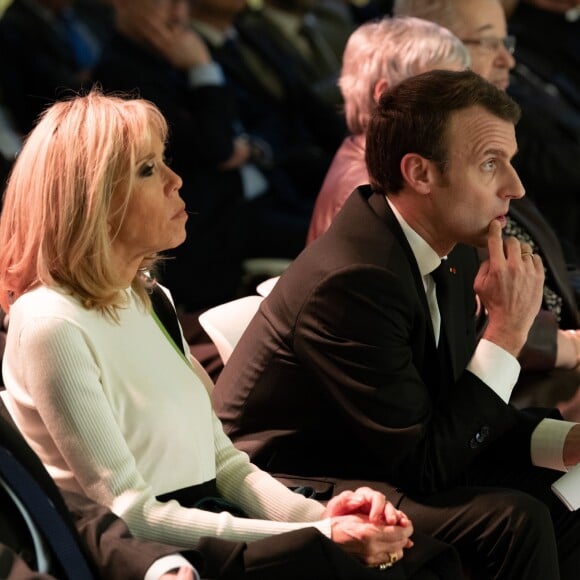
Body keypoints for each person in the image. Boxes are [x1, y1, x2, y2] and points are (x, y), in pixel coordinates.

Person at [0, 89, 462, 579]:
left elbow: (227, 464)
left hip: (219, 525)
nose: (177, 181)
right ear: (90, 201)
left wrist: (323, 518)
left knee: (425, 556)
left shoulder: (149, 298)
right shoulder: (51, 324)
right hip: (171, 558)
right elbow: (130, 514)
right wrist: (316, 537)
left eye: (163, 163)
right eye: (148, 169)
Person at [212, 69, 580, 578]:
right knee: (514, 519)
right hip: (288, 486)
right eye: (490, 164)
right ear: (421, 173)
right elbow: (427, 464)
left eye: (511, 163)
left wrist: (563, 442)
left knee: (564, 494)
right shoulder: (356, 279)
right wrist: (507, 333)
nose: (514, 187)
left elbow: (455, 411)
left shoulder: (450, 248)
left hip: (380, 459)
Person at [306, 15, 470, 244]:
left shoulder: (380, 160)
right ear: (386, 95)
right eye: (443, 89)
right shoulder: (371, 193)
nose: (465, 104)